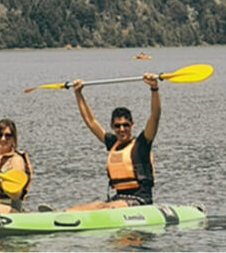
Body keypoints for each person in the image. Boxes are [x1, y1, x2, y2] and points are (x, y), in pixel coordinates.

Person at [67, 73, 160, 210]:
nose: (122, 129)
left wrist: (154, 89)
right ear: (112, 127)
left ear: (132, 125)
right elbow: (91, 121)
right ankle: (58, 215)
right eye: (117, 126)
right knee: (81, 207)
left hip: (141, 200)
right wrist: (78, 94)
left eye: (126, 125)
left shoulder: (142, 144)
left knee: (103, 207)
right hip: (118, 198)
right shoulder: (113, 143)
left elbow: (155, 116)